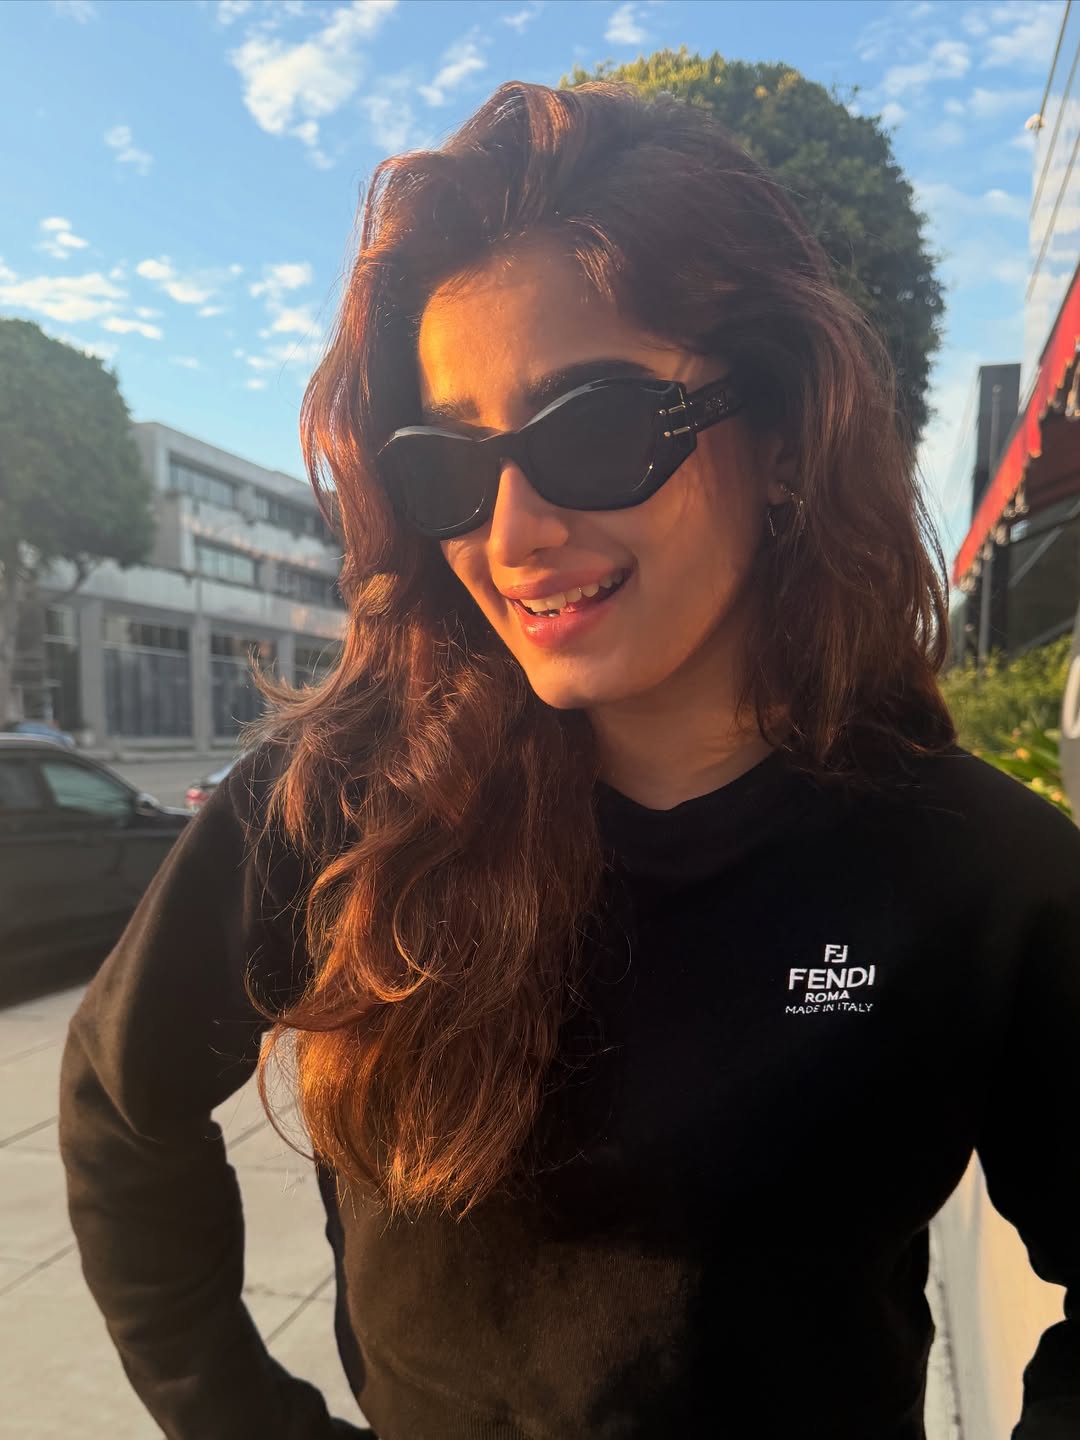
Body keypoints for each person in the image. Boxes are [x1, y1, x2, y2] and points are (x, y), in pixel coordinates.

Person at [58, 80, 1080, 1440]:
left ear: (784, 437)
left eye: (593, 429)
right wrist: (238, 1414)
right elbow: (120, 1101)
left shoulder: (984, 876)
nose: (513, 533)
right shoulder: (348, 805)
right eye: (447, 468)